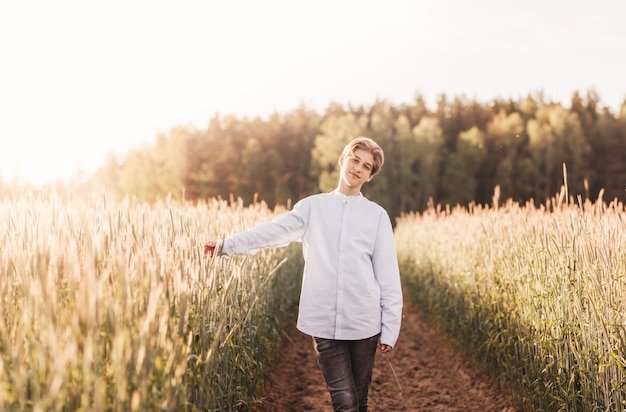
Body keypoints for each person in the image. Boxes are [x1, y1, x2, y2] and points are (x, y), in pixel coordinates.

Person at [204, 137, 403, 412]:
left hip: (363, 323)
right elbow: (272, 231)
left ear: (370, 176)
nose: (358, 168)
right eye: (355, 160)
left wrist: (390, 328)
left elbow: (388, 274)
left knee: (359, 398)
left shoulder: (377, 216)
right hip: (323, 321)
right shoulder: (312, 208)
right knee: (344, 400)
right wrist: (227, 245)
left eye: (366, 166)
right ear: (342, 159)